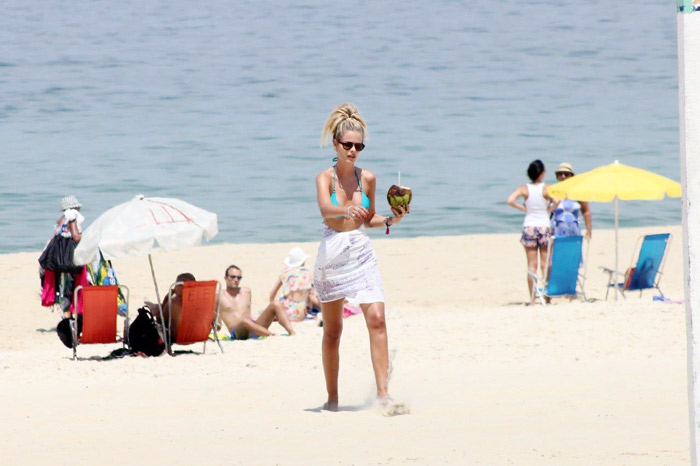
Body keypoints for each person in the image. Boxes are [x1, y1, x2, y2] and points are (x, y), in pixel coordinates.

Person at [314, 103, 409, 415]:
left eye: (358, 146)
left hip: (361, 250)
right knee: (333, 331)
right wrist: (345, 210)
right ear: (336, 144)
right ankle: (332, 399)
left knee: (377, 319)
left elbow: (368, 219)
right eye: (348, 145)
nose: (353, 151)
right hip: (333, 252)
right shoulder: (324, 179)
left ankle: (384, 396)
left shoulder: (367, 178)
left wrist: (392, 220)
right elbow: (326, 212)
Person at [506, 160, 557, 304]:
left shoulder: (524, 188)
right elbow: (557, 200)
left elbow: (510, 200)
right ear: (541, 173)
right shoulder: (546, 188)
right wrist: (549, 210)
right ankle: (547, 296)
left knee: (531, 264)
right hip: (544, 226)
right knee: (545, 263)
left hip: (529, 226)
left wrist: (524, 209)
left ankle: (532, 298)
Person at [217, 265, 296, 340]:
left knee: (275, 304)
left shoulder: (246, 291)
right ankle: (272, 335)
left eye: (239, 277)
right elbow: (214, 314)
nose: (236, 280)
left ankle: (292, 332)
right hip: (238, 333)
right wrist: (217, 324)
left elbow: (245, 310)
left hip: (254, 328)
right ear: (225, 278)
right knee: (244, 321)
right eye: (233, 277)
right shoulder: (218, 296)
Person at [40, 195, 88, 316]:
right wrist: (88, 236)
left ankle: (67, 313)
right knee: (73, 283)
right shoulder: (72, 218)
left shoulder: (61, 219)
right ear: (75, 207)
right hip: (68, 256)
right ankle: (71, 314)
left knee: (63, 285)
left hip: (57, 257)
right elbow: (76, 237)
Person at [269, 247, 320, 322]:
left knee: (282, 296)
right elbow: (311, 295)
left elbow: (272, 293)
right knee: (308, 296)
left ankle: (276, 316)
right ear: (303, 261)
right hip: (300, 313)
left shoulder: (285, 273)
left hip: (285, 312)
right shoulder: (309, 273)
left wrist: (272, 305)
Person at [145, 272, 196, 344]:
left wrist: (167, 298)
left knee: (159, 316)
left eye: (176, 285)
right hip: (196, 337)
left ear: (180, 286)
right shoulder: (200, 302)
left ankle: (155, 307)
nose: (174, 288)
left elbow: (160, 320)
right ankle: (155, 307)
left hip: (177, 337)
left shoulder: (173, 303)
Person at [552, 162, 592, 239]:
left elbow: (586, 211)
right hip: (557, 231)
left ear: (571, 176)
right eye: (560, 174)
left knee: (573, 250)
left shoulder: (578, 192)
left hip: (574, 230)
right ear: (557, 176)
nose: (563, 176)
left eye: (566, 174)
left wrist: (589, 230)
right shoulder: (553, 192)